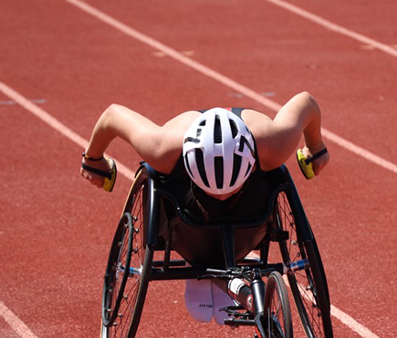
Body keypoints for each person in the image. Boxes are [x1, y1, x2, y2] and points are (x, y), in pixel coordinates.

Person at [79, 93, 328, 320]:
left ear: (250, 165)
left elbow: (306, 101)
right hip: (188, 193)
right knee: (174, 193)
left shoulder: (274, 142)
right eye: (213, 191)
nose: (221, 197)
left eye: (231, 189)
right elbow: (113, 115)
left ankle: (217, 266)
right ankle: (205, 258)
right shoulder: (162, 147)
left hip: (250, 174)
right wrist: (92, 159)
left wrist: (316, 146)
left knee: (266, 185)